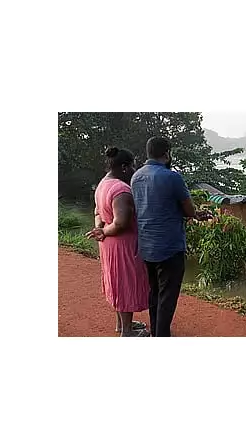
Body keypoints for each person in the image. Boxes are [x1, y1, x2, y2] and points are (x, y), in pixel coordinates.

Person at [130, 137, 206, 337]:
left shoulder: (136, 177)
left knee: (154, 293)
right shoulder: (172, 177)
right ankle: (162, 336)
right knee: (167, 297)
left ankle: (156, 333)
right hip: (169, 248)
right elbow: (189, 210)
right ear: (167, 153)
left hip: (146, 247)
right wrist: (195, 213)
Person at [85, 147, 150, 337]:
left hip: (108, 243)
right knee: (125, 284)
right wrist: (104, 230)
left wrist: (100, 229)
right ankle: (127, 332)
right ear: (123, 167)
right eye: (132, 166)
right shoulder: (122, 190)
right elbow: (121, 223)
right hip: (122, 245)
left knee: (116, 282)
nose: (134, 170)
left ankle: (121, 324)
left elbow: (98, 212)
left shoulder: (103, 184)